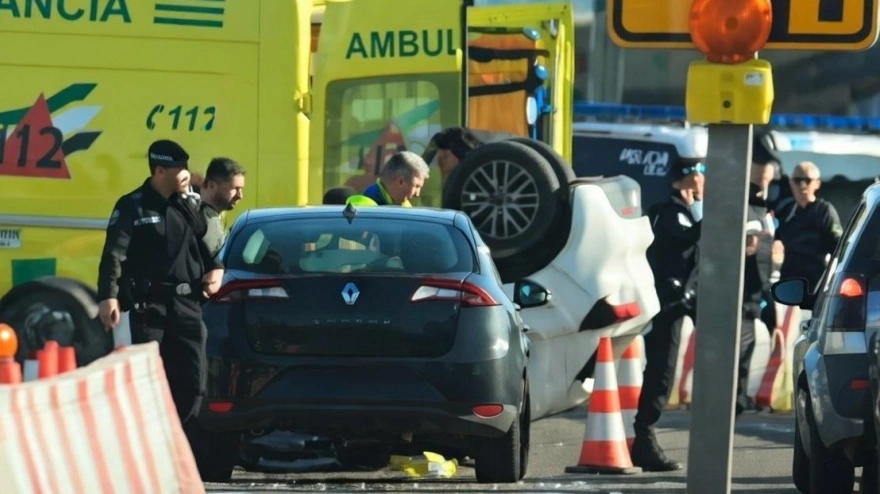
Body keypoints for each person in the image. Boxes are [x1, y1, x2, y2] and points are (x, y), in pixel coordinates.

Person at [96, 139, 224, 426]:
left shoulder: (188, 204)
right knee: (145, 379)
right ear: (159, 171)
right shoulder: (133, 206)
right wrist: (108, 296)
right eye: (179, 169)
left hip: (187, 305)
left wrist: (217, 270)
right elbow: (114, 253)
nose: (186, 174)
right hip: (149, 307)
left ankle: (177, 433)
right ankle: (148, 438)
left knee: (193, 381)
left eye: (186, 167)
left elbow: (207, 249)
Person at [632, 160, 705, 472]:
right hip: (667, 304)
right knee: (662, 370)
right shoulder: (668, 211)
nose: (705, 180)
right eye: (701, 174)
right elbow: (685, 239)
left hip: (688, 300)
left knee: (677, 369)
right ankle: (644, 439)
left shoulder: (686, 212)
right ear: (687, 179)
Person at [737, 161, 777, 416]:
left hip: (758, 290)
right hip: (744, 291)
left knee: (748, 347)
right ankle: (737, 399)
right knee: (741, 346)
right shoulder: (748, 207)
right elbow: (749, 246)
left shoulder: (762, 209)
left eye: (767, 179)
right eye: (760, 179)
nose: (764, 183)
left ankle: (741, 398)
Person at [774, 161, 843, 292]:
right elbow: (775, 241)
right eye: (797, 181)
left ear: (817, 183)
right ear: (790, 183)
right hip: (788, 283)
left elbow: (838, 246)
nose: (802, 185)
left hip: (816, 285)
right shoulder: (786, 211)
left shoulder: (824, 211)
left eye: (807, 180)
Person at [199, 157, 246, 259]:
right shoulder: (196, 217)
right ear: (211, 185)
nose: (240, 195)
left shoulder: (216, 215)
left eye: (241, 189)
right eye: (235, 188)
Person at [361, 151, 430, 206]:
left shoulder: (401, 204)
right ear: (401, 181)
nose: (417, 194)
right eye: (416, 186)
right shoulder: (370, 208)